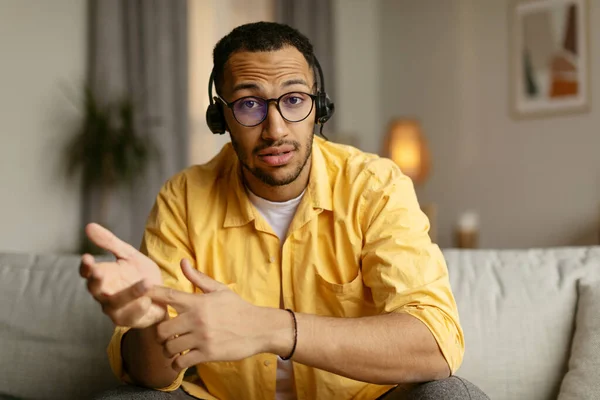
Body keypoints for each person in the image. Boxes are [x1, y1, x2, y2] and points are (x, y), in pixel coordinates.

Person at [81, 22, 489, 400]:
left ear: (319, 108)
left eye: (294, 100)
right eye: (248, 105)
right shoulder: (183, 197)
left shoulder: (375, 186)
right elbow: (150, 374)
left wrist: (269, 329)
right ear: (220, 116)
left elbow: (435, 346)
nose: (275, 129)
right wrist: (150, 322)